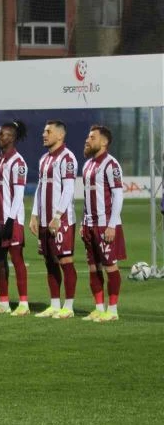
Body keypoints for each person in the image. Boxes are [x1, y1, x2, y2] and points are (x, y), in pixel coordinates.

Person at [30, 120, 79, 319]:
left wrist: (58, 216)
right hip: (44, 220)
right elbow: (40, 188)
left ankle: (69, 306)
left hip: (62, 220)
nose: (44, 134)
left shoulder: (67, 158)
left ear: (60, 135)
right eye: (44, 131)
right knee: (49, 261)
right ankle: (54, 304)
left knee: (65, 260)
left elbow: (69, 189)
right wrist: (34, 215)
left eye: (48, 131)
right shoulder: (44, 159)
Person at [0, 121, 30, 316]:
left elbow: (19, 194)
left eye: (1, 134)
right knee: (0, 260)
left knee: (17, 260)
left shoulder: (18, 163)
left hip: (12, 220)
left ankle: (24, 304)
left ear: (12, 137)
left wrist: (11, 220)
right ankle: (3, 303)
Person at [81, 125, 125, 323]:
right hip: (89, 224)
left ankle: (112, 310)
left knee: (110, 267)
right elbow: (86, 198)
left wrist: (112, 225)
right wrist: (83, 222)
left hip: (105, 224)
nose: (88, 140)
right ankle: (99, 308)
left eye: (92, 137)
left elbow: (118, 195)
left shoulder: (111, 164)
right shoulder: (88, 165)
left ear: (104, 142)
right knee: (93, 267)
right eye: (88, 137)